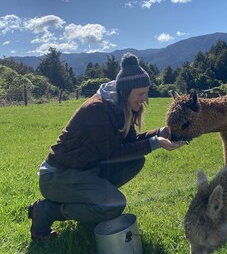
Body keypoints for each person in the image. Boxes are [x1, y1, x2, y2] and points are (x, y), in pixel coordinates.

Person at [28, 52, 186, 240]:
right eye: (141, 94)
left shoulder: (122, 107)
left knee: (135, 161)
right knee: (115, 205)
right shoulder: (98, 109)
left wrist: (162, 132)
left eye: (146, 93)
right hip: (58, 177)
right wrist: (155, 143)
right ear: (126, 91)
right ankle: (47, 211)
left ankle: (89, 206)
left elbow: (129, 143)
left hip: (84, 171)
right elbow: (111, 153)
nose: (144, 99)